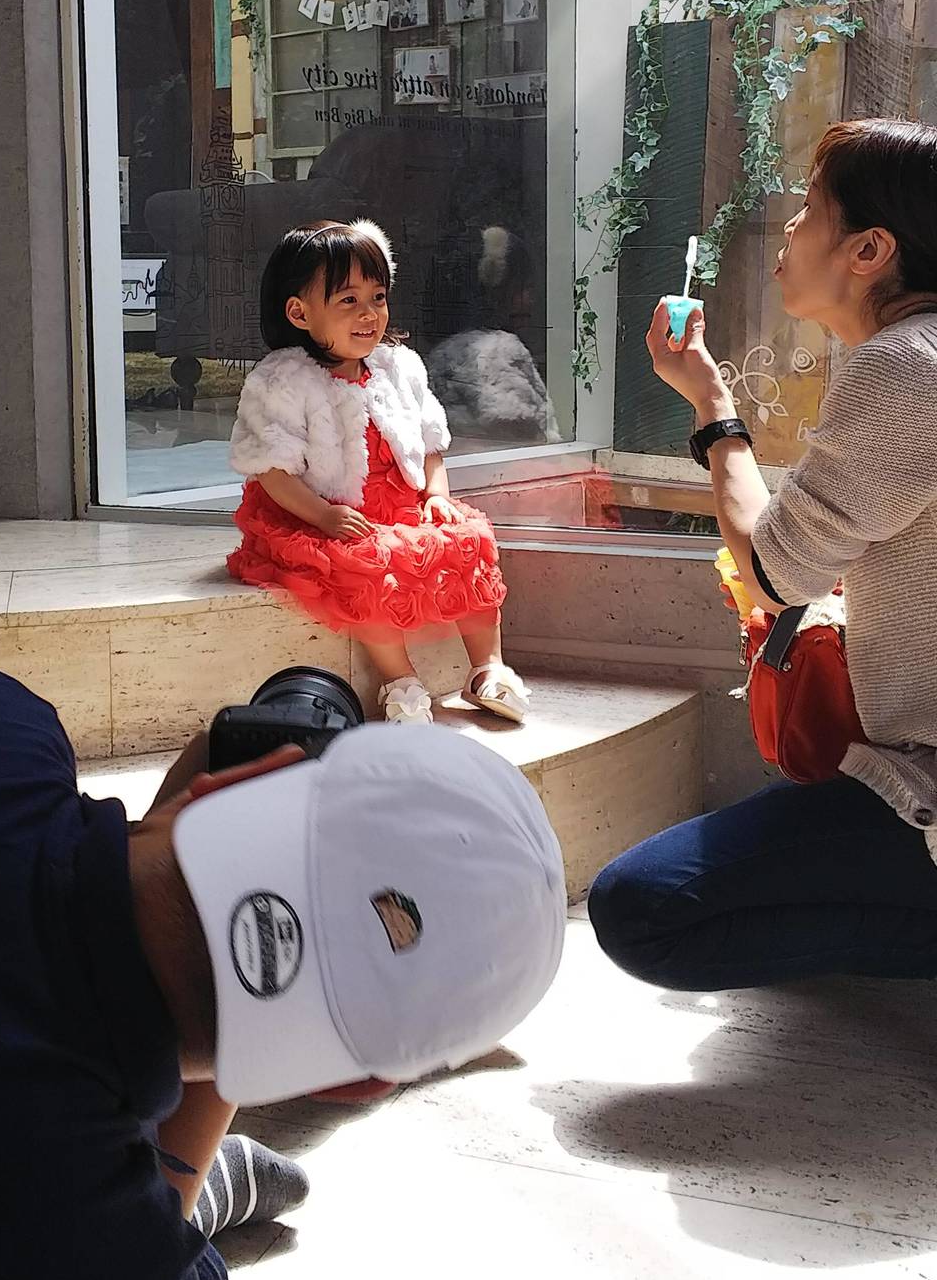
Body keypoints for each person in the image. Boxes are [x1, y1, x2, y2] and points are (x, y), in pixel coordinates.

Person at [0, 657, 566, 1280]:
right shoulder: (107, 1278)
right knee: (196, 1269)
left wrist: (175, 823)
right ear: (351, 1087)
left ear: (237, 776)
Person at [589, 119, 937, 991]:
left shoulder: (903, 369)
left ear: (870, 250)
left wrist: (714, 408)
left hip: (923, 779)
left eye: (811, 208)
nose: (789, 224)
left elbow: (776, 572)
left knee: (640, 908)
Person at [228, 220, 530, 725]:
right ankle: (400, 679)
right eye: (348, 300)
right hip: (324, 511)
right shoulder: (283, 380)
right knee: (366, 564)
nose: (369, 314)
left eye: (378, 297)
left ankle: (488, 668)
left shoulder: (399, 367)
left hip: (402, 502)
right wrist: (323, 516)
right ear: (300, 313)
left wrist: (436, 496)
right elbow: (272, 471)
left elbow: (430, 444)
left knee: (468, 539)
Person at [428, 226, 561, 445]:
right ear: (496, 292)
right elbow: (515, 425)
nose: (530, 299)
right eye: (523, 287)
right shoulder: (498, 350)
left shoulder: (444, 351)